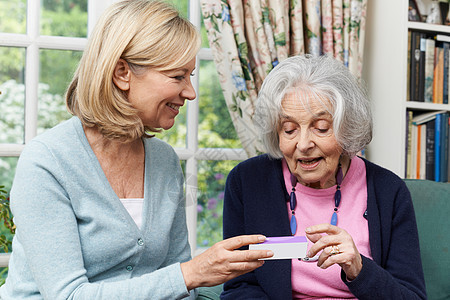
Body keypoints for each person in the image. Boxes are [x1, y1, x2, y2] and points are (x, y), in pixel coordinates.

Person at [0, 1, 273, 299]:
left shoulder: (164, 160)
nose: (190, 93)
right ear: (122, 73)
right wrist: (192, 273)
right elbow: (68, 296)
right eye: (177, 76)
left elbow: (180, 281)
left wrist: (194, 277)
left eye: (190, 76)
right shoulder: (47, 162)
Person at [221, 55, 427, 299]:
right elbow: (240, 287)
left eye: (321, 128)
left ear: (346, 128)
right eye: (289, 130)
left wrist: (359, 268)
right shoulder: (247, 182)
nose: (304, 144)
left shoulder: (388, 190)